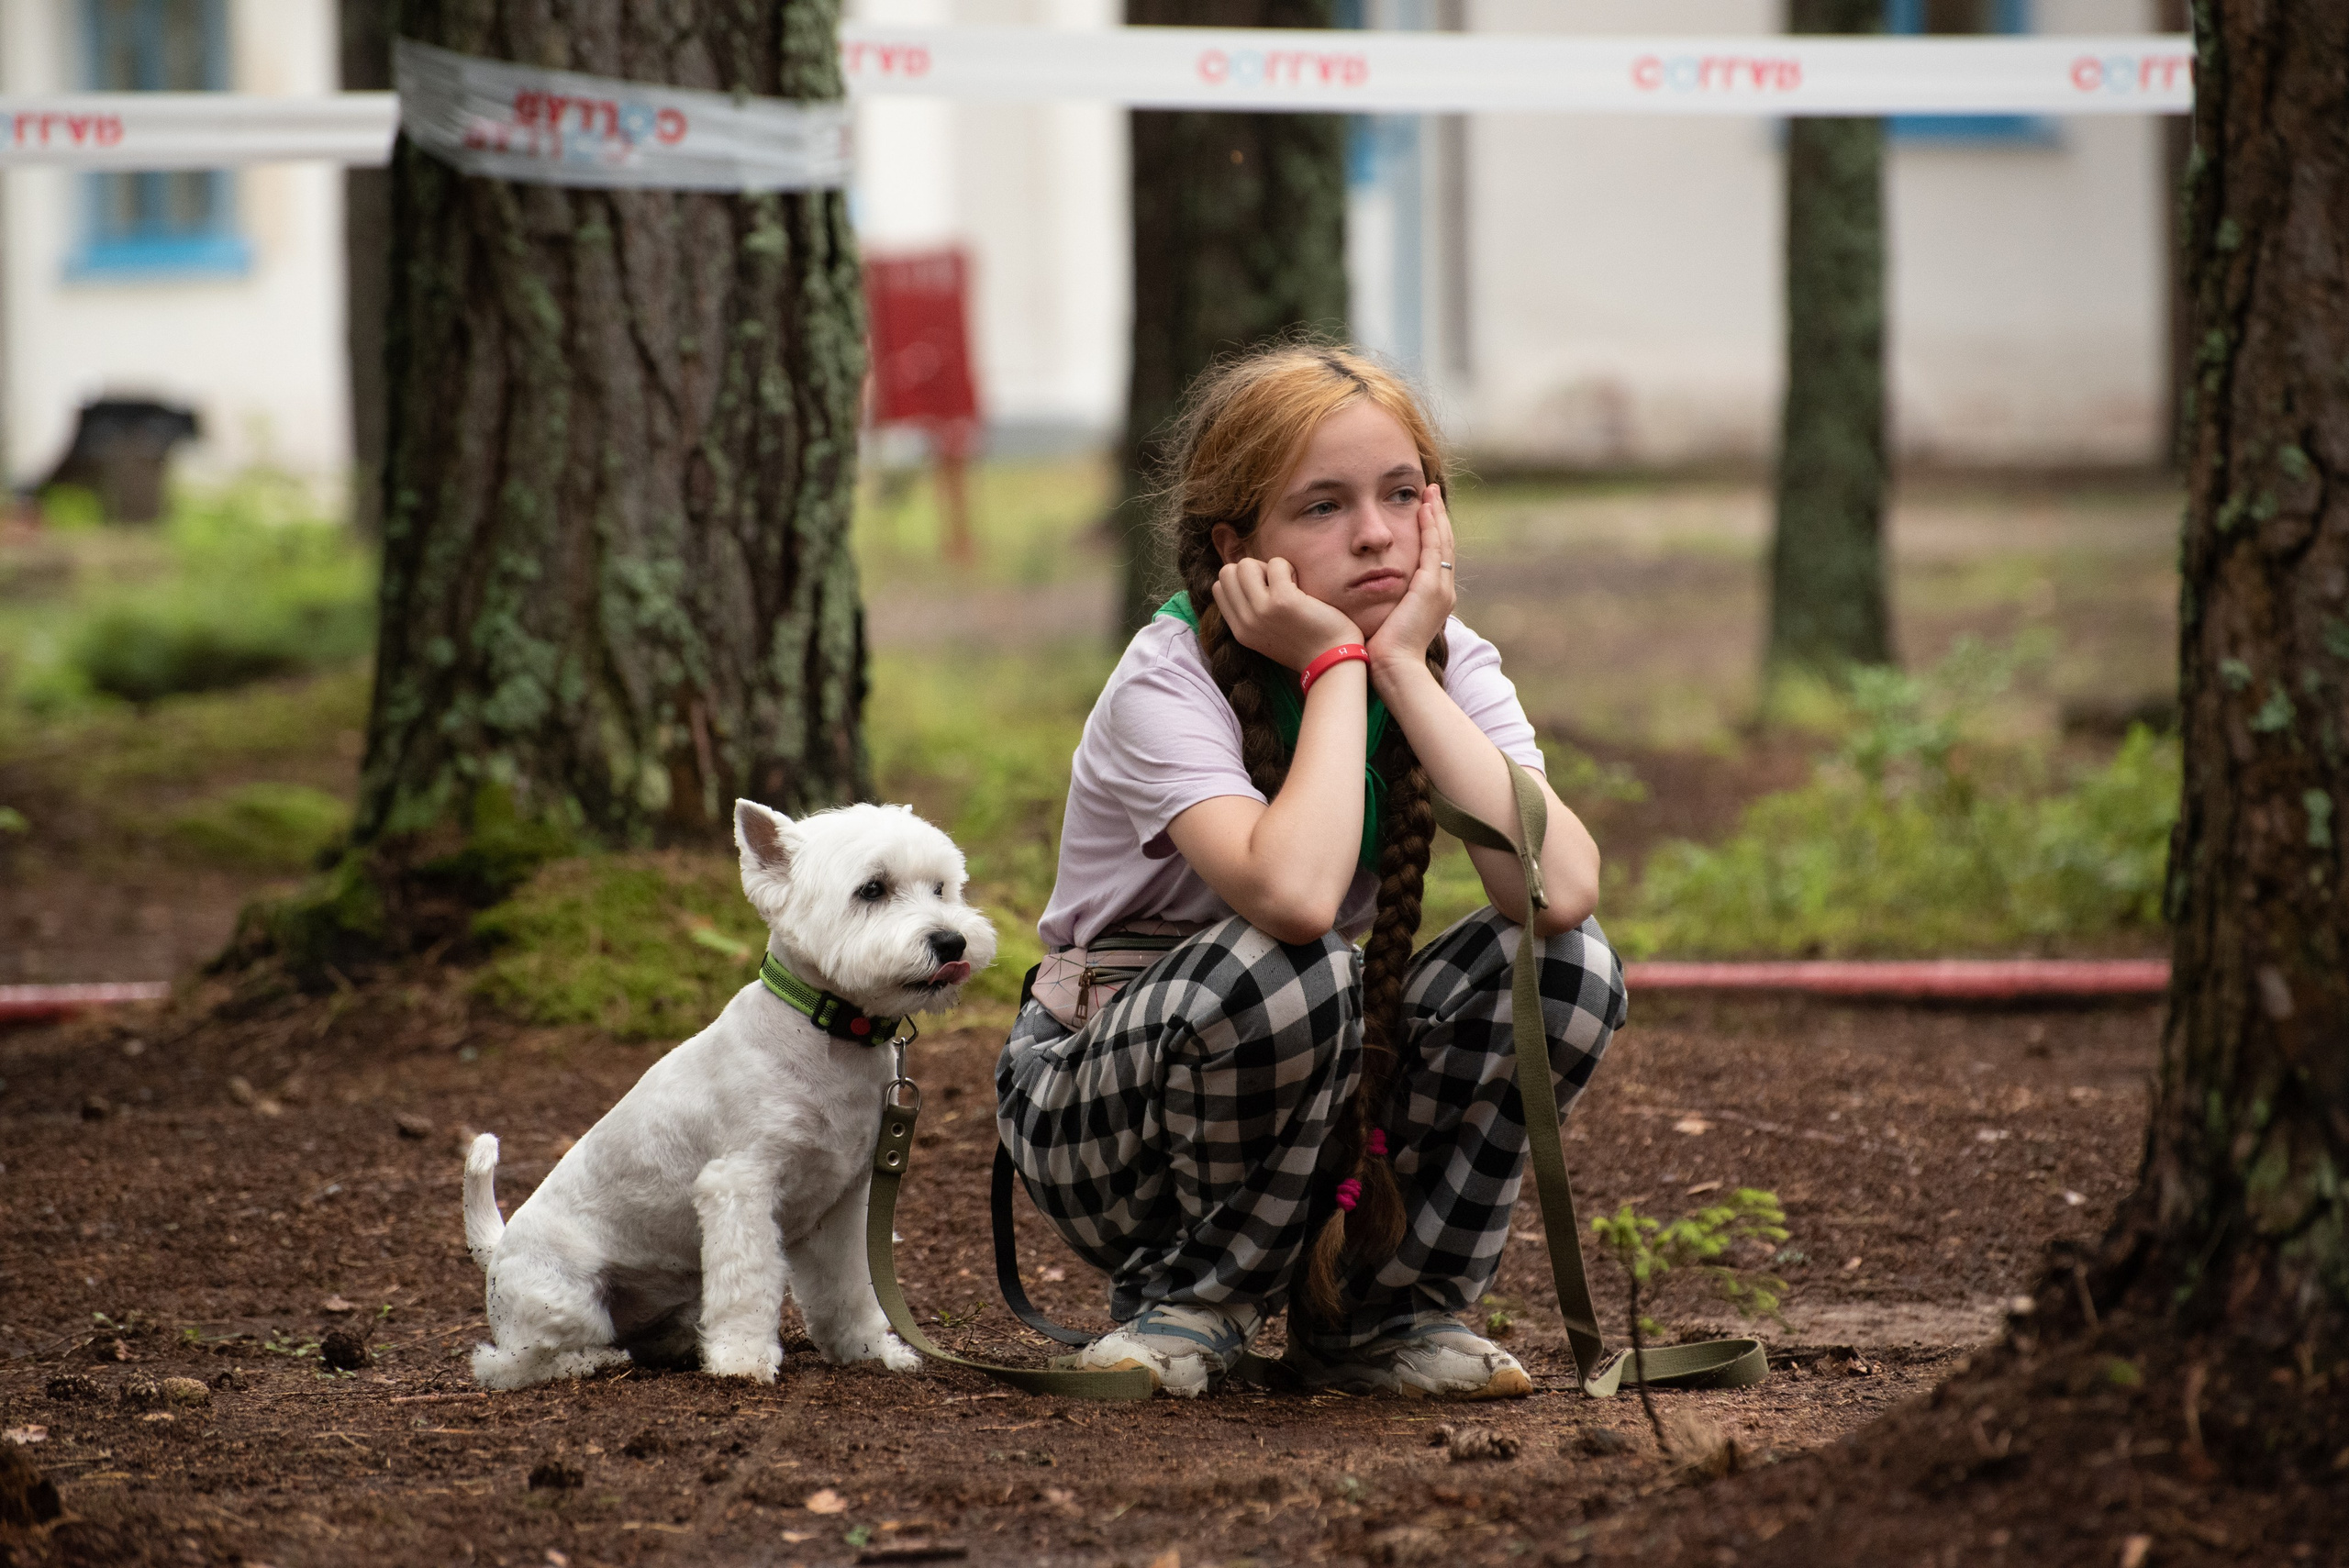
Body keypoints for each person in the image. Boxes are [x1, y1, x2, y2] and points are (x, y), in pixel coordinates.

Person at [996, 343, 1626, 1399]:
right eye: (1322, 506)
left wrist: (1402, 670)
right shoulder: (1166, 676)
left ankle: (1386, 1314)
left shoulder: (1445, 654)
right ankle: (1192, 1301)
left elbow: (1555, 888)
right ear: (1237, 548)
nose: (1374, 533)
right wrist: (1335, 664)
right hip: (1109, 1118)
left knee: (1567, 966)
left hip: (1319, 1076)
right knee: (1287, 960)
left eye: (1398, 495)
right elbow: (1292, 897)